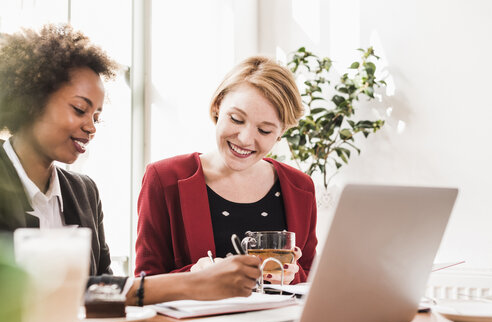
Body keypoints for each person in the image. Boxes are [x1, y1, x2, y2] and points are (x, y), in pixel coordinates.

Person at [0, 24, 260, 305]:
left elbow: (103, 291)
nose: (91, 127)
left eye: (97, 117)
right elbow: (25, 293)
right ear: (31, 100)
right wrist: (191, 283)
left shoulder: (83, 191)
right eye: (79, 109)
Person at [135, 56, 318, 285]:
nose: (245, 139)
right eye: (236, 119)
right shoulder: (164, 178)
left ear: (280, 133)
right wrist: (194, 276)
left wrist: (292, 274)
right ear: (217, 106)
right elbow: (144, 284)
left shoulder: (300, 187)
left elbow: (310, 279)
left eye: (264, 130)